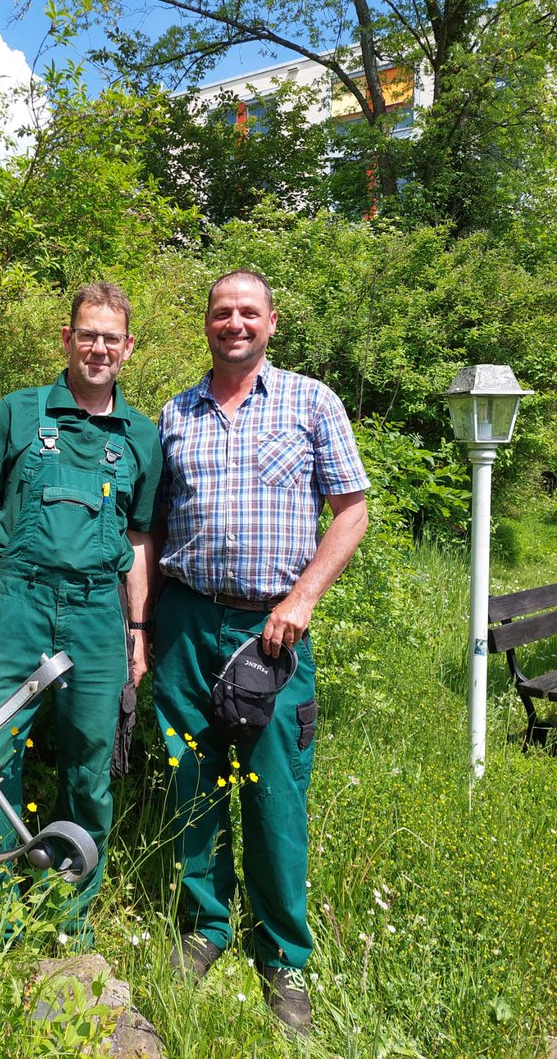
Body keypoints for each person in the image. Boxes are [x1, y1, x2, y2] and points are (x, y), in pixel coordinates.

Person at [153, 269, 369, 1034]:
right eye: (221, 312)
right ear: (205, 323)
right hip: (182, 624)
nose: (234, 323)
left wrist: (302, 599)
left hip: (272, 633)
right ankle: (206, 927)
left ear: (272, 322)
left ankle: (283, 956)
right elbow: (150, 532)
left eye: (249, 312)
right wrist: (143, 630)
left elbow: (351, 510)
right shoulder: (173, 414)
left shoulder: (312, 402)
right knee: (194, 782)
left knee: (275, 792)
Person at [0, 282, 161, 943]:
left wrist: (139, 633)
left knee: (90, 766)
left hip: (98, 618)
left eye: (110, 338)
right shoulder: (18, 413)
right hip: (17, 607)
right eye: (86, 334)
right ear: (66, 339)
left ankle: (69, 915)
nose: (97, 348)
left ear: (127, 348)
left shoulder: (141, 435)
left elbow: (141, 542)